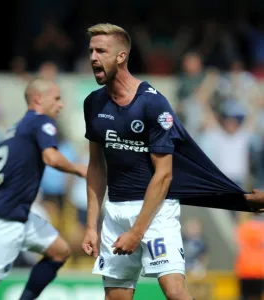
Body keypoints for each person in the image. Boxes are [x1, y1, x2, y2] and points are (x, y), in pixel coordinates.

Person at [81, 23, 247, 300]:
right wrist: (90, 226)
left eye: (101, 51)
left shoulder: (153, 104)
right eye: (91, 51)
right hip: (115, 214)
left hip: (155, 213)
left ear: (121, 56)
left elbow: (164, 175)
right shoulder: (93, 104)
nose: (93, 57)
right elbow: (96, 166)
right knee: (116, 298)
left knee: (175, 293)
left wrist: (137, 231)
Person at [0, 77, 87, 300]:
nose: (61, 104)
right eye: (57, 98)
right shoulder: (41, 121)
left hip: (18, 213)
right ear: (38, 99)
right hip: (4, 218)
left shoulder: (17, 128)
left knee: (60, 251)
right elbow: (51, 158)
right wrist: (81, 169)